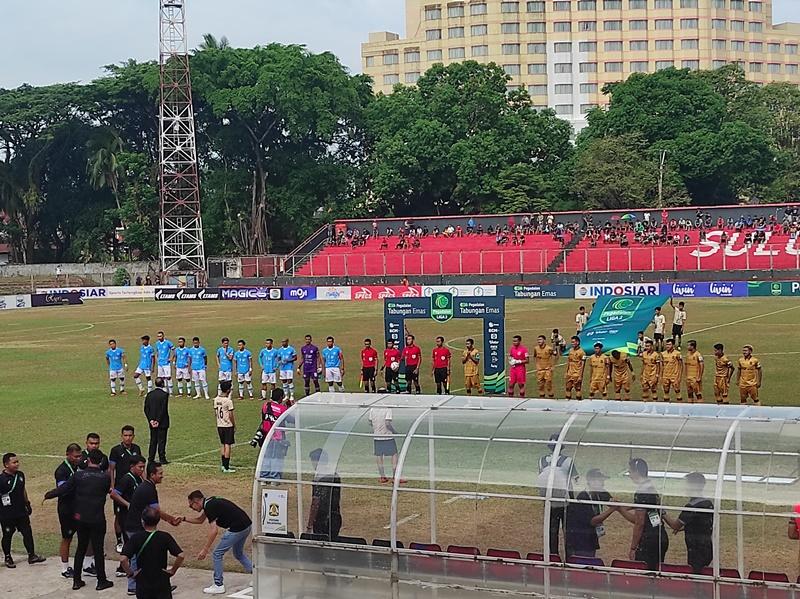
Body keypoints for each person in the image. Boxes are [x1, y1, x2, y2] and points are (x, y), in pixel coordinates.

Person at [44, 449, 113, 591]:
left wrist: (49, 495)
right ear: (100, 461)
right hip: (97, 518)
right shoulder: (105, 477)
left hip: (81, 518)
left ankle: (76, 580)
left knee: (80, 548)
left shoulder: (78, 475)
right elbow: (107, 490)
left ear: (88, 460)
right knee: (98, 549)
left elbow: (63, 489)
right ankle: (101, 581)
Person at [125, 462, 182, 597]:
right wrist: (171, 519)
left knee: (142, 555)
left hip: (134, 524)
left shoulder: (146, 486)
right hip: (136, 526)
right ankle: (134, 585)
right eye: (160, 473)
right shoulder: (149, 489)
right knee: (137, 557)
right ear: (152, 475)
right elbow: (156, 511)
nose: (162, 476)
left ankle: (150, 583)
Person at [185, 491, 253, 595]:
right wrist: (183, 519)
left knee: (217, 554)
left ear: (196, 501)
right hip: (246, 526)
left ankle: (218, 585)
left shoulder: (210, 507)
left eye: (191, 505)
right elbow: (200, 520)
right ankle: (258, 577)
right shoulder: (210, 502)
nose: (191, 508)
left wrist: (205, 549)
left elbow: (214, 531)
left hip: (237, 529)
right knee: (238, 554)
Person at [120, 506, 185, 599]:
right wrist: (172, 571)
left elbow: (123, 559)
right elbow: (181, 555)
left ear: (142, 521)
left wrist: (131, 574)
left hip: (143, 580)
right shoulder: (165, 537)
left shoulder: (136, 538)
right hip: (161, 579)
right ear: (158, 521)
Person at [619, 458, 669, 571]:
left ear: (637, 472)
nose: (629, 475)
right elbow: (652, 517)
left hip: (648, 541)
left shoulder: (641, 492)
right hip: (660, 536)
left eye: (630, 471)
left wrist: (633, 547)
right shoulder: (651, 489)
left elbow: (639, 523)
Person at [663, 472, 713, 574]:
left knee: (696, 574)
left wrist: (662, 513)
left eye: (687, 485)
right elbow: (701, 523)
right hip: (707, 546)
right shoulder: (708, 503)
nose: (685, 488)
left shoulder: (691, 507)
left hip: (696, 549)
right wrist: (686, 527)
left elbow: (675, 525)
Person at [536, 435, 578, 557]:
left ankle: (553, 555)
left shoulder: (541, 460)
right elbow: (573, 481)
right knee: (568, 531)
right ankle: (569, 556)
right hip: (565, 501)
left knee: (552, 531)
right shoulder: (568, 461)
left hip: (549, 500)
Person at [1, 453, 45, 569]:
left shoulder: (20, 475)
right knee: (7, 534)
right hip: (7, 513)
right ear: (6, 464)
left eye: (17, 462)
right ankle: (8, 557)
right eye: (14, 462)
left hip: (21, 511)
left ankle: (32, 555)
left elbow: (23, 489)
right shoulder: (1, 479)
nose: (17, 464)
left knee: (27, 532)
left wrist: (27, 503)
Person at [565, 469, 618, 558]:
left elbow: (613, 503)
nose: (603, 484)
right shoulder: (583, 498)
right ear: (590, 480)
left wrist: (634, 506)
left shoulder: (599, 493)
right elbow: (593, 521)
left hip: (591, 538)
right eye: (600, 481)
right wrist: (611, 510)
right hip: (580, 539)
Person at [109, 425, 143, 553]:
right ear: (121, 436)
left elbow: (140, 466)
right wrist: (112, 486)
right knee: (119, 515)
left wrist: (146, 482)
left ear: (133, 436)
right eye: (125, 435)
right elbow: (111, 469)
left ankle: (133, 538)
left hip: (134, 486)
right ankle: (119, 541)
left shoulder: (136, 448)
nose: (128, 438)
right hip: (121, 487)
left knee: (134, 512)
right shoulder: (115, 450)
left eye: (130, 435)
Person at [110, 455, 145, 577]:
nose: (142, 470)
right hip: (126, 516)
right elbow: (114, 494)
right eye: (140, 467)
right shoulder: (126, 479)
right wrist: (127, 504)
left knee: (133, 541)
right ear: (132, 466)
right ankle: (123, 568)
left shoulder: (138, 478)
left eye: (143, 467)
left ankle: (127, 566)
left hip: (135, 515)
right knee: (130, 542)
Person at [53, 444, 83, 578]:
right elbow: (62, 490)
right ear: (68, 455)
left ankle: (88, 565)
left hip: (79, 507)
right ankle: (64, 569)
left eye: (80, 456)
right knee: (67, 538)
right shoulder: (61, 471)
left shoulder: (79, 466)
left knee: (85, 535)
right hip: (67, 509)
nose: (78, 458)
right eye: (76, 456)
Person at [306, 449, 342, 541]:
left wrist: (309, 525)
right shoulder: (335, 475)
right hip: (335, 517)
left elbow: (316, 502)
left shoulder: (320, 478)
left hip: (322, 519)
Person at [260, 388, 289, 482]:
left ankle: (264, 477)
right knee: (277, 457)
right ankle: (274, 478)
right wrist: (289, 407)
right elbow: (291, 420)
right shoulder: (282, 409)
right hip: (278, 436)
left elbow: (263, 418)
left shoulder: (265, 405)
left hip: (266, 435)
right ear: (281, 397)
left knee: (266, 456)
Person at [369, 406, 401, 483]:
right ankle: (395, 477)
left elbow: (370, 422)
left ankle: (382, 476)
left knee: (379, 455)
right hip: (387, 436)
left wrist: (377, 428)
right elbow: (387, 423)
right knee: (394, 454)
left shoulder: (372, 409)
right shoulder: (387, 409)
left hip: (377, 436)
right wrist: (394, 432)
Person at [145, 379, 171, 464]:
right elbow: (163, 409)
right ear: (162, 384)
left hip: (152, 422)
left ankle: (151, 458)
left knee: (153, 440)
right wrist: (158, 421)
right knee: (162, 441)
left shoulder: (149, 394)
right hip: (162, 422)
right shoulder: (164, 395)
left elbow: (146, 409)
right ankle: (162, 458)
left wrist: (151, 420)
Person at [214, 380, 236, 473]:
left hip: (219, 425)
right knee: (227, 445)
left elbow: (216, 412)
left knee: (223, 444)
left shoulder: (216, 399)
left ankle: (223, 465)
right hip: (227, 425)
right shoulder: (228, 401)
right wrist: (234, 425)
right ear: (228, 390)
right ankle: (226, 467)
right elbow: (230, 415)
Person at [565, 336, 586, 400]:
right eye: (571, 342)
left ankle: (579, 402)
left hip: (577, 373)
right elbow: (569, 361)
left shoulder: (582, 352)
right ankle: (567, 402)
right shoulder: (570, 350)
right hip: (570, 373)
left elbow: (583, 365)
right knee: (568, 388)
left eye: (573, 342)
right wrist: (566, 372)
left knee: (578, 389)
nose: (572, 343)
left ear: (578, 342)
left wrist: (580, 376)